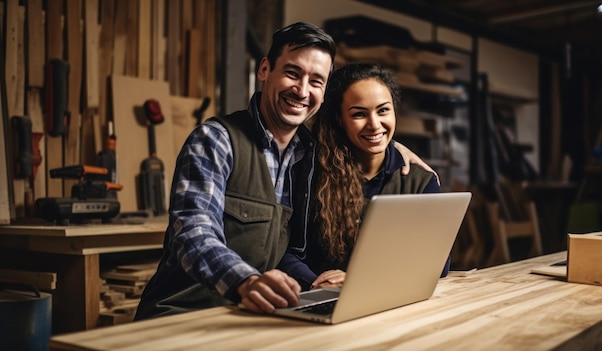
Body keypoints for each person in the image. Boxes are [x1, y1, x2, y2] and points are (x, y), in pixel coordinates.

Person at [135, 23, 434, 320]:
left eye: (316, 81)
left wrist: (395, 149)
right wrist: (244, 281)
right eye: (292, 73)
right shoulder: (215, 140)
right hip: (181, 314)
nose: (302, 91)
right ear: (264, 70)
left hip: (250, 318)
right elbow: (192, 232)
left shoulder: (313, 154)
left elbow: (364, 140)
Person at [278, 62, 445, 291]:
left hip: (394, 301)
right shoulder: (308, 173)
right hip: (322, 299)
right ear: (340, 118)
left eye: (383, 110)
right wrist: (315, 281)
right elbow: (281, 249)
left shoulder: (419, 182)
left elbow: (439, 263)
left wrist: (358, 280)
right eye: (359, 114)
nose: (374, 125)